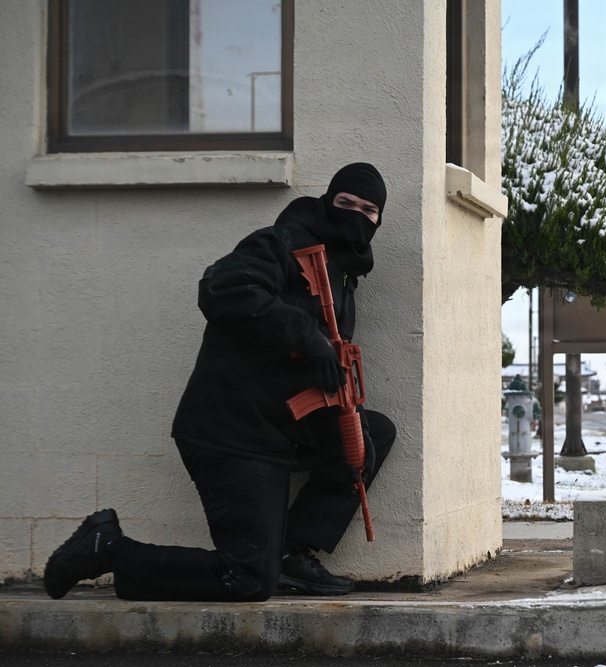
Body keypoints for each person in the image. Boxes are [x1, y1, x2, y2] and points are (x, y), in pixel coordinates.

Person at [43, 163, 397, 602]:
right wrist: (307, 336)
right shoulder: (283, 243)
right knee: (247, 580)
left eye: (369, 210)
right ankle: (108, 548)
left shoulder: (343, 275)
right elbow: (222, 288)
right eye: (345, 203)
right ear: (327, 203)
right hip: (230, 434)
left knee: (372, 434)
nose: (356, 215)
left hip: (277, 427)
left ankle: (291, 555)